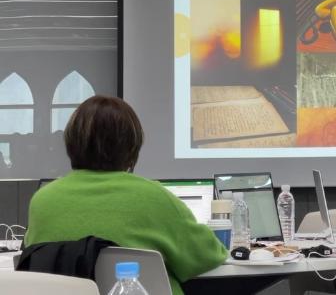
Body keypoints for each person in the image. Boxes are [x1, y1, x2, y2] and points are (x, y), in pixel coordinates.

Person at [24, 96, 228, 294]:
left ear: (71, 143)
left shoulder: (42, 201)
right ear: (132, 146)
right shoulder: (155, 198)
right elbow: (207, 257)